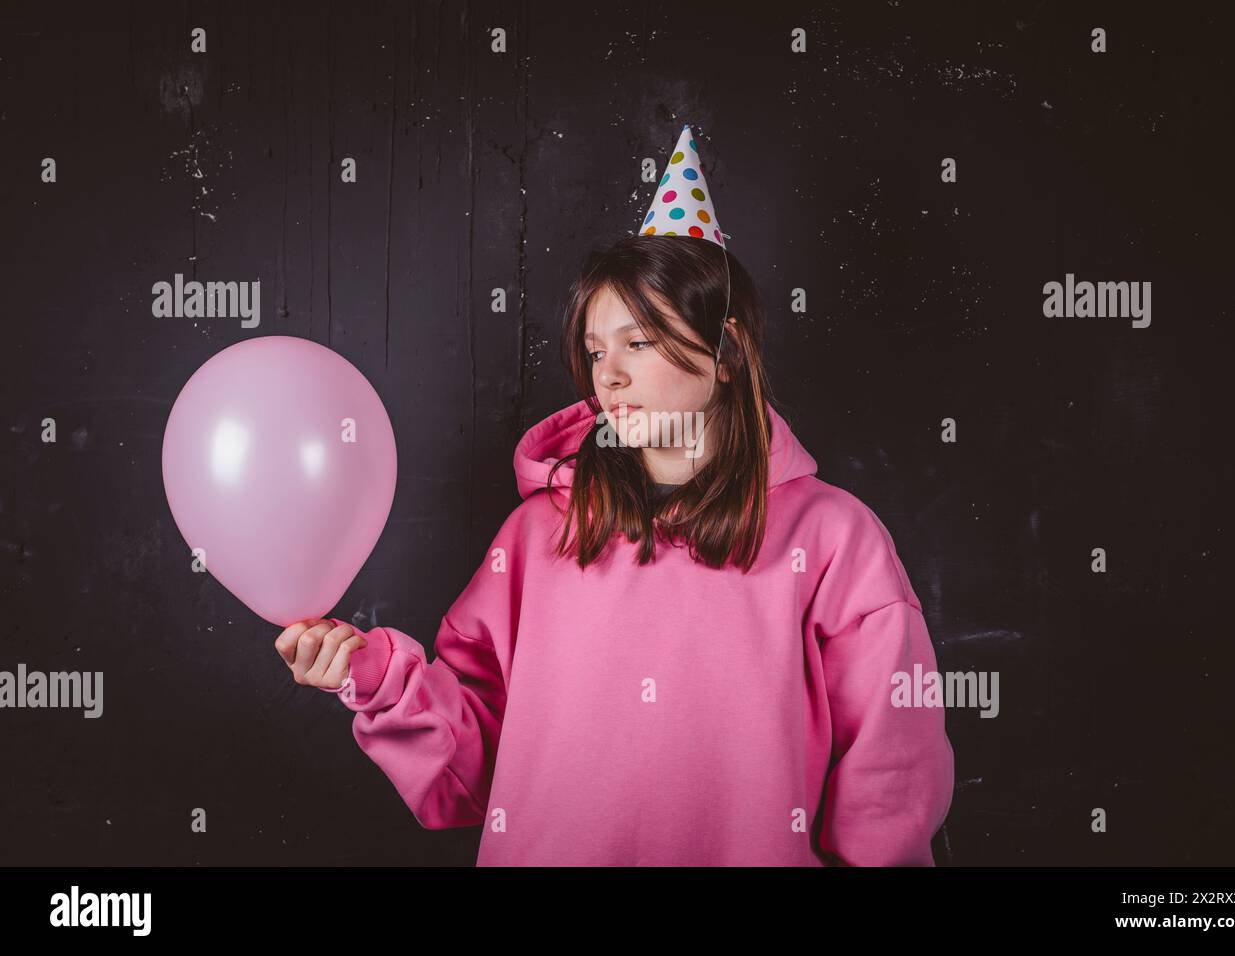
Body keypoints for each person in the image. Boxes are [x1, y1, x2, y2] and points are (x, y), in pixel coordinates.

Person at [275, 126, 954, 866]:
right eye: (597, 351)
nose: (610, 375)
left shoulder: (834, 540)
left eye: (639, 342)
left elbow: (888, 773)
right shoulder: (536, 537)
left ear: (725, 353)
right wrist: (372, 679)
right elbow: (466, 770)